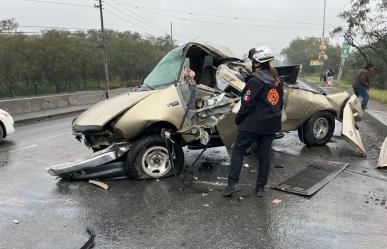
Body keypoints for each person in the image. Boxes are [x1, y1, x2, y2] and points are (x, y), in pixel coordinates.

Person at [223, 46, 284, 198]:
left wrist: (238, 119)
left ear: (257, 62)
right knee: (264, 156)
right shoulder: (277, 81)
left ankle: (232, 185)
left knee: (238, 150)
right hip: (270, 126)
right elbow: (280, 104)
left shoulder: (256, 81)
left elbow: (247, 104)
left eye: (253, 61)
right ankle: (260, 188)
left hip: (252, 126)